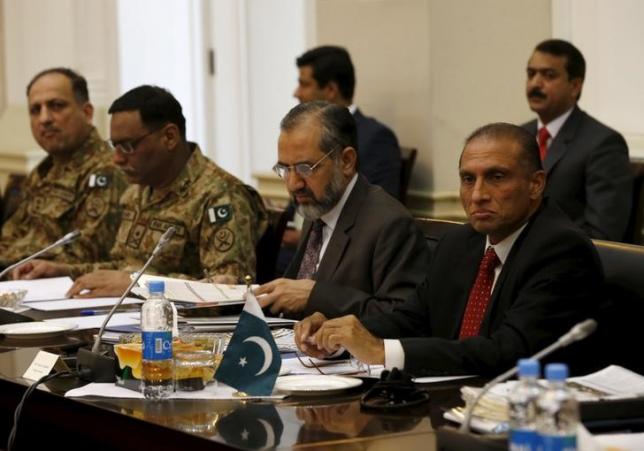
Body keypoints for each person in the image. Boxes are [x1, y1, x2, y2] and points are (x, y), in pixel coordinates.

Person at [295, 123, 603, 376]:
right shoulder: (460, 242)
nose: (478, 194)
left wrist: (380, 350)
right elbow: (412, 318)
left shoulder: (561, 250)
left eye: (497, 177)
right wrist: (341, 334)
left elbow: (507, 351)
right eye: (468, 179)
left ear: (536, 184)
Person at [14, 85, 268, 297]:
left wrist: (136, 284)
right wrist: (63, 271)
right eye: (114, 145)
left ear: (169, 137)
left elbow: (228, 290)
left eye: (127, 146)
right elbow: (123, 267)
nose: (116, 159)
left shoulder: (220, 195)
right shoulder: (139, 189)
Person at [255, 101, 429, 319]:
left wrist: (314, 296)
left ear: (346, 161)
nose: (293, 183)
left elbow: (402, 317)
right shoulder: (317, 208)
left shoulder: (390, 224)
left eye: (304, 168)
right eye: (284, 169)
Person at [0, 68, 127, 269]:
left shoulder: (105, 171)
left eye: (56, 106)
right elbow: (11, 235)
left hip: (58, 289)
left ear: (87, 113)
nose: (44, 118)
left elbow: (85, 254)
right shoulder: (45, 169)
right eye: (35, 110)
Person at [523, 39, 632, 242]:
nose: (535, 83)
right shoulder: (518, 136)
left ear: (574, 86)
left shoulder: (603, 144)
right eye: (531, 74)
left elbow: (603, 234)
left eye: (548, 75)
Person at [294, 45, 401, 197]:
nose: (296, 93)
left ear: (331, 89)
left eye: (304, 84)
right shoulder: (307, 134)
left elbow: (380, 208)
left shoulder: (376, 139)